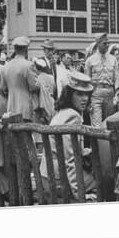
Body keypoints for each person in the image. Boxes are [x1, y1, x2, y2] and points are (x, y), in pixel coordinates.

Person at [39, 72, 96, 201]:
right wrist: (79, 193)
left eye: (87, 94)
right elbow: (71, 160)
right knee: (104, 179)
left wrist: (83, 152)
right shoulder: (73, 116)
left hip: (47, 174)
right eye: (79, 94)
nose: (85, 99)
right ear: (69, 95)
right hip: (58, 179)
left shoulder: (62, 112)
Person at [84, 33, 118, 127]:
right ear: (98, 43)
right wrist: (88, 101)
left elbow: (117, 79)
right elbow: (87, 82)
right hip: (96, 94)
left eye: (108, 43)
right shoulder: (90, 60)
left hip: (110, 93)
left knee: (109, 123)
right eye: (104, 43)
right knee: (96, 125)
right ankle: (95, 142)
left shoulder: (113, 59)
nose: (107, 45)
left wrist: (117, 96)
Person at [2, 36, 39, 121]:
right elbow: (34, 86)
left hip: (11, 108)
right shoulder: (28, 65)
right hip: (25, 108)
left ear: (15, 49)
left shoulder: (6, 66)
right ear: (26, 49)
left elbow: (3, 88)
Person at [32, 57, 56, 124]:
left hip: (42, 103)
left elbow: (35, 89)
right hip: (51, 102)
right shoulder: (51, 77)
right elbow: (54, 89)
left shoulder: (38, 78)